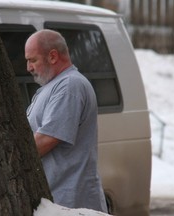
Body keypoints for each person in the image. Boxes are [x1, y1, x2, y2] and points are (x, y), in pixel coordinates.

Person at [25, 29, 108, 212]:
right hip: (60, 202)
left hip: (72, 202)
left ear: (53, 56)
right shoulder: (53, 86)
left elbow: (46, 139)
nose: (28, 68)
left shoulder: (70, 85)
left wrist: (10, 157)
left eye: (33, 60)